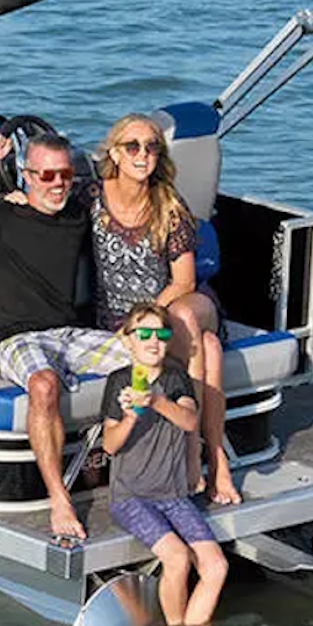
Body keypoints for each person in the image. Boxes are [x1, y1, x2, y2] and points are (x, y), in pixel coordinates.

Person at [0, 130, 130, 541]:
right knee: (43, 384)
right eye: (47, 176)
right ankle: (59, 499)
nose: (57, 184)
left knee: (151, 358)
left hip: (70, 334)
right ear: (26, 176)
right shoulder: (0, 216)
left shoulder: (78, 212)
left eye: (65, 175)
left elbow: (124, 186)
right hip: (15, 339)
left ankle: (137, 467)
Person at [91, 114, 239, 505]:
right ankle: (216, 459)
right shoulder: (92, 197)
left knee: (186, 319)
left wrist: (143, 318)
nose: (143, 154)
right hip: (123, 321)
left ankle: (191, 454)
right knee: (209, 349)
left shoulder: (169, 205)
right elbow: (47, 198)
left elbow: (184, 282)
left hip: (176, 304)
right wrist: (16, 197)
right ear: (114, 154)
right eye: (132, 146)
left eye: (152, 146)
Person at [102, 301, 228, 626]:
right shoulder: (118, 382)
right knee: (177, 558)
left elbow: (189, 420)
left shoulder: (176, 380)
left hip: (172, 496)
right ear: (128, 339)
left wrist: (155, 401)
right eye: (144, 333)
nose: (153, 341)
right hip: (131, 498)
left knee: (216, 567)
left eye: (161, 334)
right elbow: (109, 444)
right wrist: (131, 417)